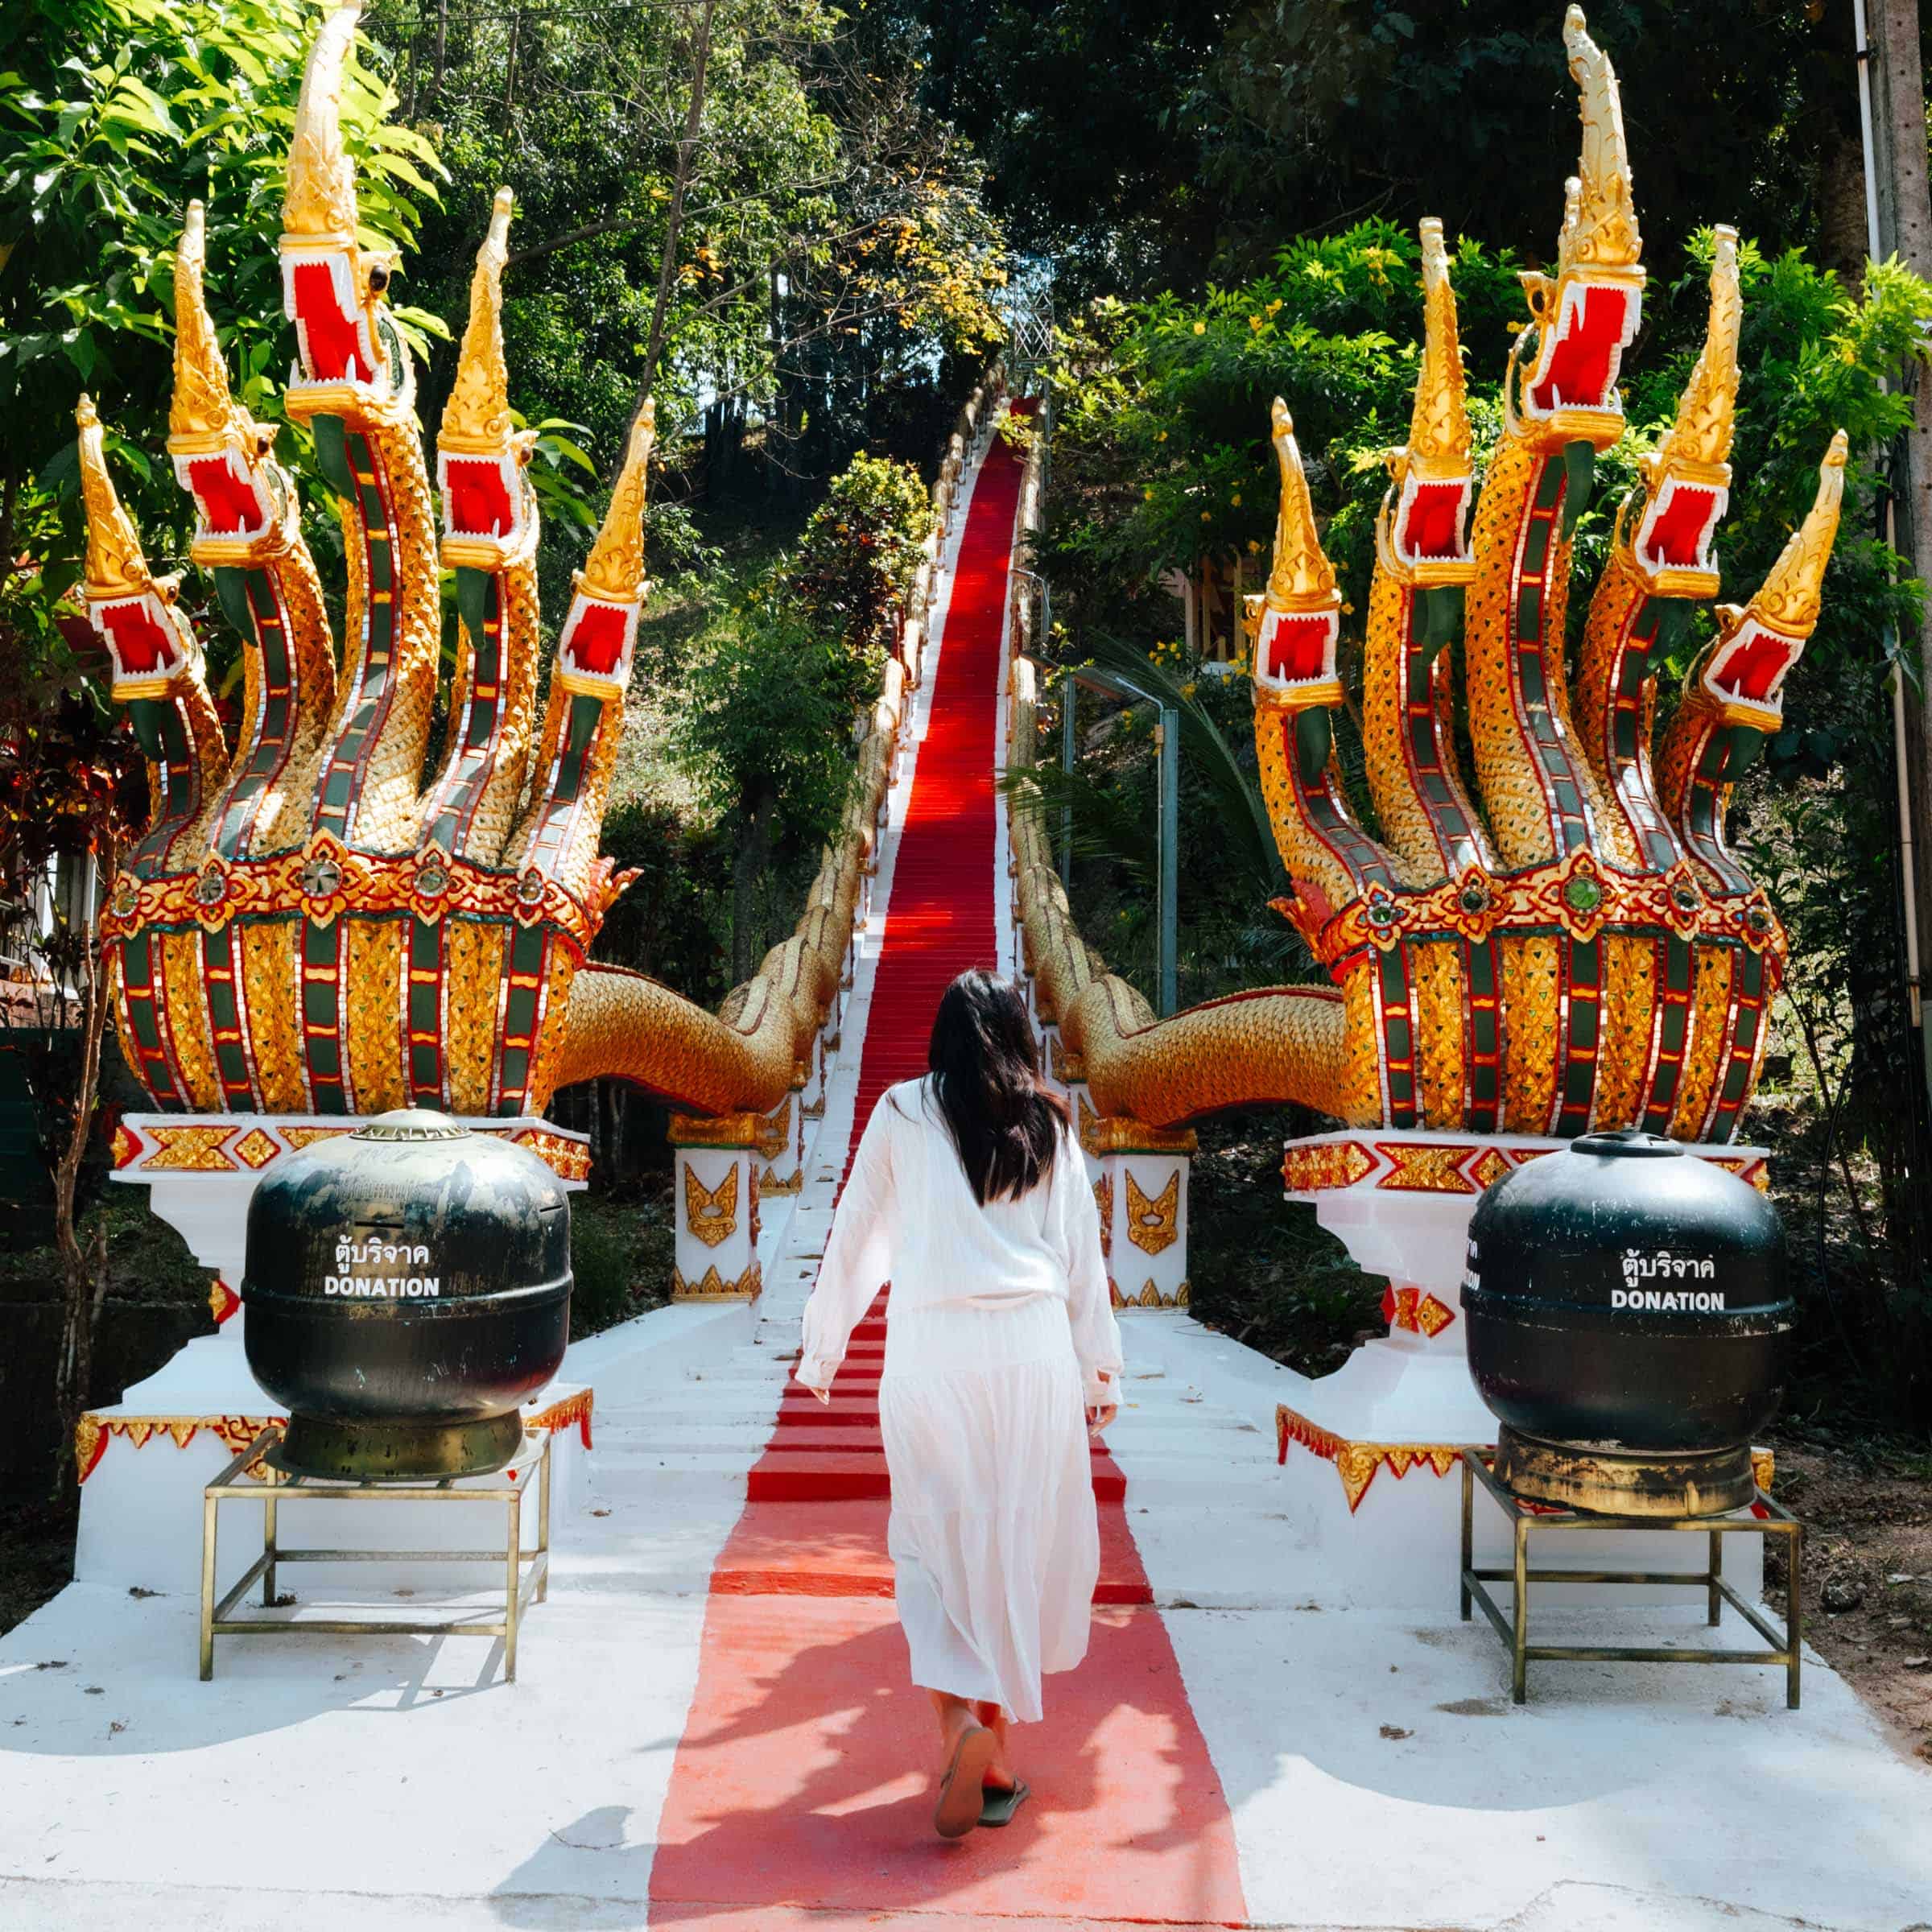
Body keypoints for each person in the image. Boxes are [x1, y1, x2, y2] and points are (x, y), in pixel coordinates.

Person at [795, 968, 1124, 1839]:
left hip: (932, 1353)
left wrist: (825, 1344)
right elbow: (1081, 1252)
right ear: (1019, 1035)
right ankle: (998, 1753)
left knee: (934, 1541)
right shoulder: (1048, 1122)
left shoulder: (902, 1111)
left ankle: (956, 1727)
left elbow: (858, 1225)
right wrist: (1101, 1372)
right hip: (1033, 1351)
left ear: (939, 1040)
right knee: (1014, 1544)